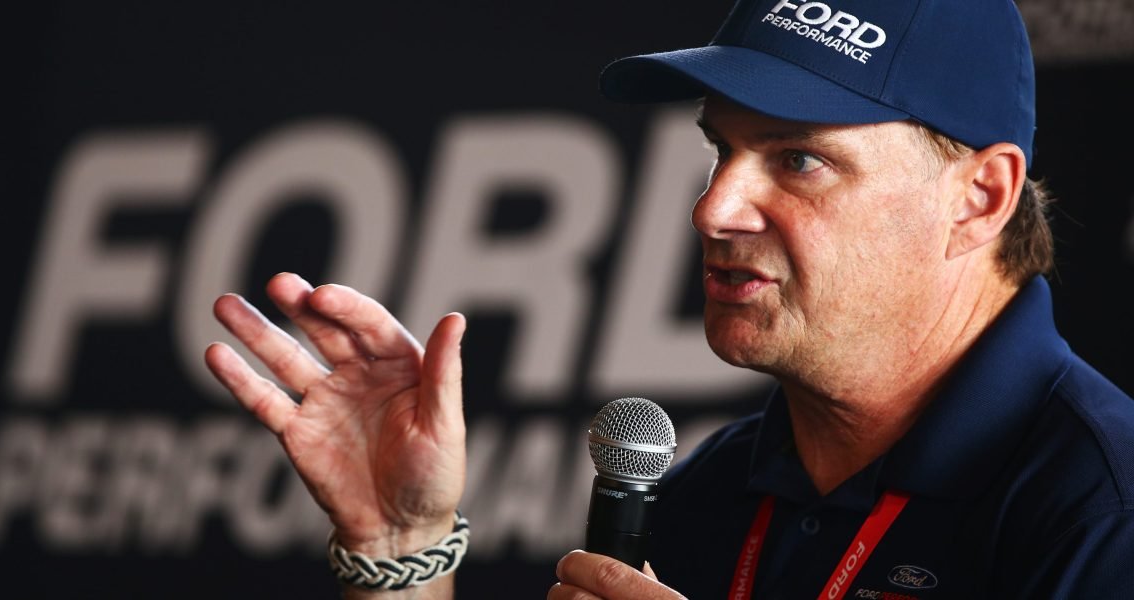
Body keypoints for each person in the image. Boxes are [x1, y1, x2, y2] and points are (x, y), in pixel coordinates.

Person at [205, 0, 1134, 597]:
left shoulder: (1103, 512)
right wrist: (403, 548)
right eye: (720, 148)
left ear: (979, 198)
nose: (713, 208)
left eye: (798, 158)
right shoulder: (706, 494)